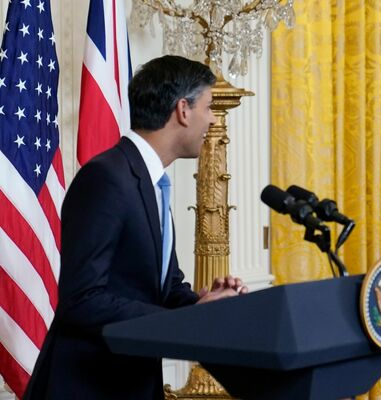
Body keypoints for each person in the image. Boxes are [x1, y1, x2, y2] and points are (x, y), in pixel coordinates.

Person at [24, 55, 248, 399]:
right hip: (89, 386)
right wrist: (180, 319)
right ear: (183, 110)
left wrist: (204, 303)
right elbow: (81, 299)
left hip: (131, 382)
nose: (214, 119)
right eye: (208, 107)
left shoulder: (151, 182)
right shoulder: (107, 178)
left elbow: (163, 288)